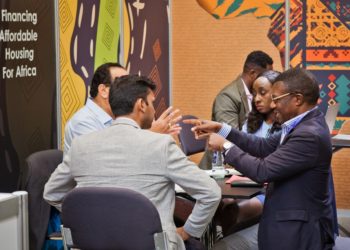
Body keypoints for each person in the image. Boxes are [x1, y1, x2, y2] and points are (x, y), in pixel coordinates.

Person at [44, 75, 221, 250]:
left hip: (93, 244)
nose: (154, 110)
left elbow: (52, 192)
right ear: (141, 105)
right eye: (152, 103)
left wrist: (85, 219)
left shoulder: (80, 145)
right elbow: (211, 193)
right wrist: (187, 231)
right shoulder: (161, 144)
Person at [187, 68, 335, 250]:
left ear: (297, 99)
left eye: (277, 99)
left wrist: (224, 146)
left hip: (297, 231)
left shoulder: (308, 135)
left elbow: (262, 171)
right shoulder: (302, 125)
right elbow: (261, 146)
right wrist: (221, 129)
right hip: (285, 220)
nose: (273, 106)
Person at [214, 70, 281, 250]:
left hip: (266, 188)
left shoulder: (285, 128)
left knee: (235, 210)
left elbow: (262, 160)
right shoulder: (251, 122)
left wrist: (228, 147)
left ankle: (228, 243)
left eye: (263, 92)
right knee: (225, 204)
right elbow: (243, 152)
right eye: (254, 93)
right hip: (246, 179)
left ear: (277, 95)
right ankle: (223, 242)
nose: (257, 99)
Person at [64, 62, 181, 153]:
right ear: (103, 91)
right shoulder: (81, 122)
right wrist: (151, 134)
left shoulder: (123, 114)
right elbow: (106, 157)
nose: (128, 88)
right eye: (120, 84)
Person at [200, 51, 273, 169]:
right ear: (253, 73)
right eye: (266, 75)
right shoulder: (228, 97)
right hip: (221, 170)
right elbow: (230, 137)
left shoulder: (257, 98)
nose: (268, 79)